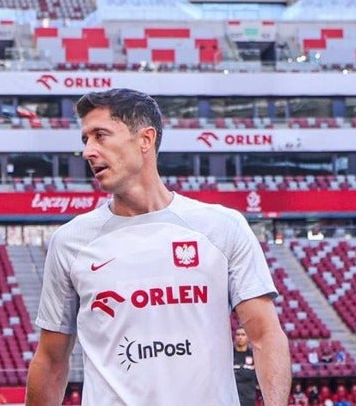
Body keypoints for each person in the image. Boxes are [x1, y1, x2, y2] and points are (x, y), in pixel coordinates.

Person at [26, 88, 291, 405]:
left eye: (100, 136)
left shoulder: (222, 227)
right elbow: (51, 361)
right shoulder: (71, 242)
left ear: (145, 139)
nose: (88, 151)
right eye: (85, 140)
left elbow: (265, 335)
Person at [233, 326, 258, 406]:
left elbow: (254, 375)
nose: (240, 337)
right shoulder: (229, 355)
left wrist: (239, 373)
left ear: (248, 337)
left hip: (248, 398)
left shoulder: (254, 356)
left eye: (243, 335)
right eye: (238, 335)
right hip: (232, 396)